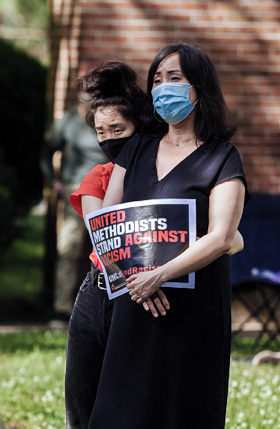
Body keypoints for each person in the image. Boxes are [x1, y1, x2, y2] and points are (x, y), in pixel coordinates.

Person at [81, 42, 250, 428]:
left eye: (174, 78)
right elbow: (108, 222)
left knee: (184, 411)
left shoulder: (223, 158)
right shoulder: (135, 150)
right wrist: (136, 279)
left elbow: (222, 236)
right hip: (135, 301)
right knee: (119, 412)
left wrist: (160, 274)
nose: (163, 88)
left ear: (199, 88)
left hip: (194, 311)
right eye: (157, 79)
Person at [65, 61, 173, 429]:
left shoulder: (167, 179)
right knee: (82, 403)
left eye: (118, 129)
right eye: (100, 131)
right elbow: (104, 232)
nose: (108, 138)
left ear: (138, 128)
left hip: (150, 298)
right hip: (98, 295)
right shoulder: (98, 176)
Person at [40, 95, 108, 320]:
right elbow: (46, 150)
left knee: (111, 249)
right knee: (68, 249)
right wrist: (53, 179)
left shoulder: (107, 118)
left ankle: (110, 309)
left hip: (108, 191)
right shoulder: (68, 122)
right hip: (76, 191)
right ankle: (61, 310)